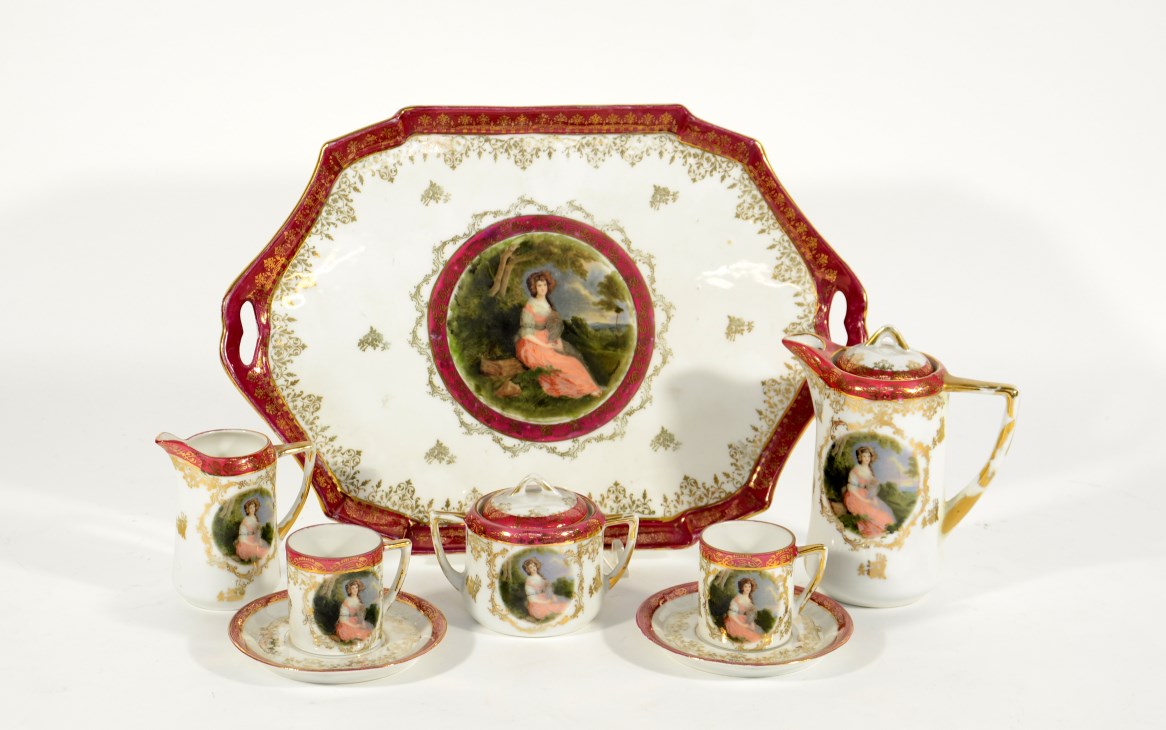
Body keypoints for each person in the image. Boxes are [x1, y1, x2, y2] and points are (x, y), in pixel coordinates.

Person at [514, 271, 602, 399]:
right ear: (534, 287)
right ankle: (587, 389)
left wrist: (556, 340)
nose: (543, 288)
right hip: (531, 344)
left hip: (545, 338)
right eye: (539, 285)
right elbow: (526, 334)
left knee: (573, 359)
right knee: (562, 363)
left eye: (544, 284)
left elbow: (551, 326)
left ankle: (589, 387)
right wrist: (545, 345)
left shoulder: (547, 303)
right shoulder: (530, 305)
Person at [843, 446, 896, 538]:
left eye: (868, 456)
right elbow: (851, 488)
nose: (867, 458)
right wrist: (864, 500)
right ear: (860, 457)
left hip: (866, 494)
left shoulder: (869, 470)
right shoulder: (856, 470)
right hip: (854, 496)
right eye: (864, 456)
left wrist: (873, 496)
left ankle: (881, 532)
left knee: (883, 512)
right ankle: (871, 533)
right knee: (869, 512)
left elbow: (870, 487)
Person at [723, 577, 765, 642]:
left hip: (744, 619)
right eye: (745, 586)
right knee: (751, 637)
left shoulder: (749, 600)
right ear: (742, 588)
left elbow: (750, 614)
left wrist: (751, 622)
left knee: (759, 634)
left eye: (749, 586)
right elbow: (731, 614)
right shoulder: (738, 598)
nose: (748, 588)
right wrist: (742, 625)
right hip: (735, 621)